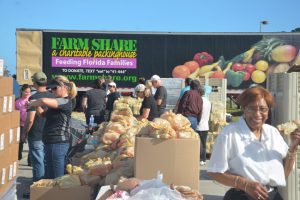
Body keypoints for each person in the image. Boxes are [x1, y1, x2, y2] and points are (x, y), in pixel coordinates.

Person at [207, 86, 300, 200]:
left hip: (272, 195)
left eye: (262, 109)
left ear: (268, 110)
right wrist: (245, 184)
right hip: (242, 196)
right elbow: (214, 171)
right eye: (251, 108)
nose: (257, 114)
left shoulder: (273, 133)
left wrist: (293, 147)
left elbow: (283, 174)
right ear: (244, 109)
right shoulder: (230, 133)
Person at [27, 75, 77, 179]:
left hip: (58, 142)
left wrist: (32, 103)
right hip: (50, 142)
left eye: (54, 88)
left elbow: (44, 101)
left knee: (57, 177)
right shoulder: (57, 102)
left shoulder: (65, 101)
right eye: (51, 88)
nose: (52, 91)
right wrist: (35, 106)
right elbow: (42, 114)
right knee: (49, 176)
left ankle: (58, 195)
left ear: (63, 87)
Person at [23, 72, 54, 182]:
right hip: (50, 134)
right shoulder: (52, 96)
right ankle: (45, 187)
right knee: (47, 161)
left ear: (34, 83)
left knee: (38, 162)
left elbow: (30, 119)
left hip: (36, 134)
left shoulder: (34, 98)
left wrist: (24, 133)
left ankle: (37, 188)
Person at [15, 84, 31, 160]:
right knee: (20, 141)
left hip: (31, 124)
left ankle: (30, 160)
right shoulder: (17, 102)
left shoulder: (32, 100)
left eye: (29, 92)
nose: (27, 94)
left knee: (31, 142)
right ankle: (18, 156)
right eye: (26, 92)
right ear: (21, 91)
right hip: (21, 125)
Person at [196, 85, 211, 166]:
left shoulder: (199, 100)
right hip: (206, 125)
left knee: (198, 143)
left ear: (199, 92)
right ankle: (203, 159)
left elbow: (199, 112)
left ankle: (200, 159)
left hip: (199, 125)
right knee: (204, 143)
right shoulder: (208, 101)